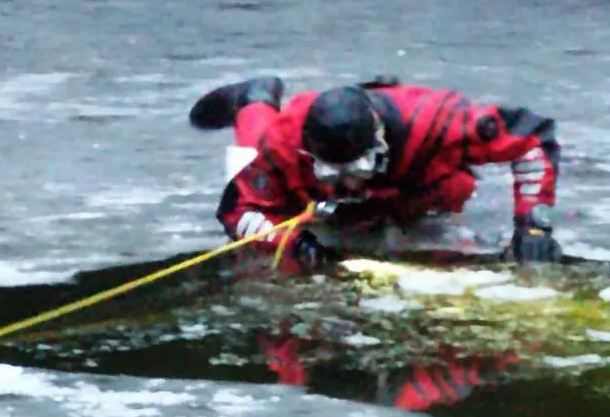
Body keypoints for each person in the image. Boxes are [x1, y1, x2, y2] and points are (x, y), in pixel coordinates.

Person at [189, 74, 562, 272]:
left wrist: (533, 224)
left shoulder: (435, 120)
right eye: (334, 173)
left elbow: (530, 139)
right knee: (258, 159)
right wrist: (289, 241)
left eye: (358, 169)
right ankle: (254, 99)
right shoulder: (287, 141)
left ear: (380, 142)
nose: (350, 184)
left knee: (452, 187)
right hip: (305, 183)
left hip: (413, 185)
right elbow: (237, 211)